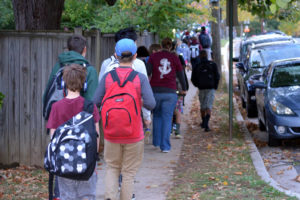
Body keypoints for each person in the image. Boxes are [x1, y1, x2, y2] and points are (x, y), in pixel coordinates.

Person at [93, 39, 156, 200]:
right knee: (128, 172)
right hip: (133, 133)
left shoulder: (107, 77)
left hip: (111, 132)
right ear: (135, 56)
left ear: (116, 55)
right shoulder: (140, 78)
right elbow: (151, 103)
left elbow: (95, 102)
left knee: (112, 168)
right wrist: (138, 100)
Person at [42, 34, 98, 200]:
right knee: (87, 193)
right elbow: (95, 130)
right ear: (85, 50)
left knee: (65, 194)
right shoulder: (90, 71)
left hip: (64, 154)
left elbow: (47, 96)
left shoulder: (57, 67)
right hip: (85, 150)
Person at [98, 27, 151, 137]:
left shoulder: (106, 64)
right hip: (132, 115)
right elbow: (144, 94)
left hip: (110, 116)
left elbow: (100, 93)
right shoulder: (139, 65)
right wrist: (147, 117)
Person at [147, 37, 187, 152]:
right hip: (170, 91)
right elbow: (181, 74)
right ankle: (165, 146)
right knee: (167, 117)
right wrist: (184, 89)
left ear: (161, 46)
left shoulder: (153, 57)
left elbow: (147, 72)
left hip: (155, 91)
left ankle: (156, 142)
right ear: (170, 46)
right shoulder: (174, 58)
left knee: (157, 115)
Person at [43, 34, 98, 102]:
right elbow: (92, 100)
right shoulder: (90, 70)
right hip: (80, 111)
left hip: (58, 110)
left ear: (68, 49)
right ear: (85, 49)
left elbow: (47, 94)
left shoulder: (58, 66)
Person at [191, 50, 220, 132]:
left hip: (201, 88)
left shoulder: (197, 65)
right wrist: (215, 86)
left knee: (202, 105)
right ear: (207, 55)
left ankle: (204, 121)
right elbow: (217, 76)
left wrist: (198, 85)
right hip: (210, 87)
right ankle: (206, 124)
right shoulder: (212, 64)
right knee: (209, 105)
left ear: (199, 56)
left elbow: (193, 78)